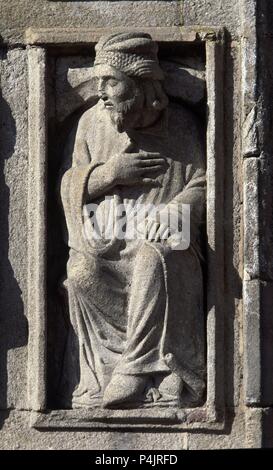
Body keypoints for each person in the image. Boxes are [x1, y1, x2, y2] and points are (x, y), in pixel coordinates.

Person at [60, 32, 206, 408]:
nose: (102, 92)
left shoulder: (184, 126)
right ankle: (106, 371)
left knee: (152, 256)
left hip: (165, 251)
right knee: (80, 273)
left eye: (111, 81)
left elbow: (207, 181)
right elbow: (69, 182)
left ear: (141, 84)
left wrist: (178, 209)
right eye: (99, 81)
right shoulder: (92, 124)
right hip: (109, 245)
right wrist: (109, 174)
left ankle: (139, 370)